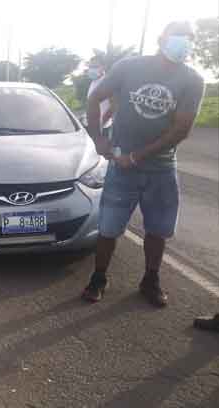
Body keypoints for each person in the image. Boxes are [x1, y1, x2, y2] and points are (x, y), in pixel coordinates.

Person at [81, 21, 205, 306]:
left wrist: (138, 156)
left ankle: (150, 279)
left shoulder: (192, 80)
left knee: (158, 230)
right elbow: (95, 97)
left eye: (189, 38)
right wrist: (98, 138)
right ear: (161, 38)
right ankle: (98, 278)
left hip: (161, 168)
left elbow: (181, 129)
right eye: (178, 37)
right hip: (121, 168)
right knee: (109, 228)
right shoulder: (129, 67)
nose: (183, 43)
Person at [86, 58, 115, 137]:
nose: (92, 69)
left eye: (95, 66)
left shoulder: (107, 82)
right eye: (90, 67)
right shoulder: (94, 82)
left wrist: (101, 123)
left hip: (104, 127)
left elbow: (113, 106)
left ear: (103, 67)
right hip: (95, 127)